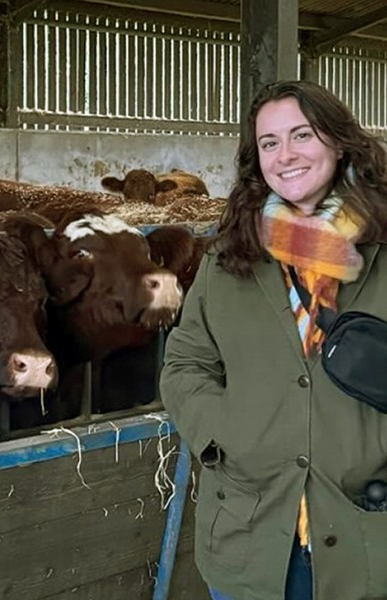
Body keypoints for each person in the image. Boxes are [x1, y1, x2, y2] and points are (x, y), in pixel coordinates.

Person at [159, 79, 387, 600]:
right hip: (251, 533)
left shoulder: (384, 247)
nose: (285, 156)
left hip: (367, 534)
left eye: (302, 135)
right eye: (269, 143)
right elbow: (187, 362)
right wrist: (223, 434)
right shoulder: (228, 257)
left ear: (338, 141)